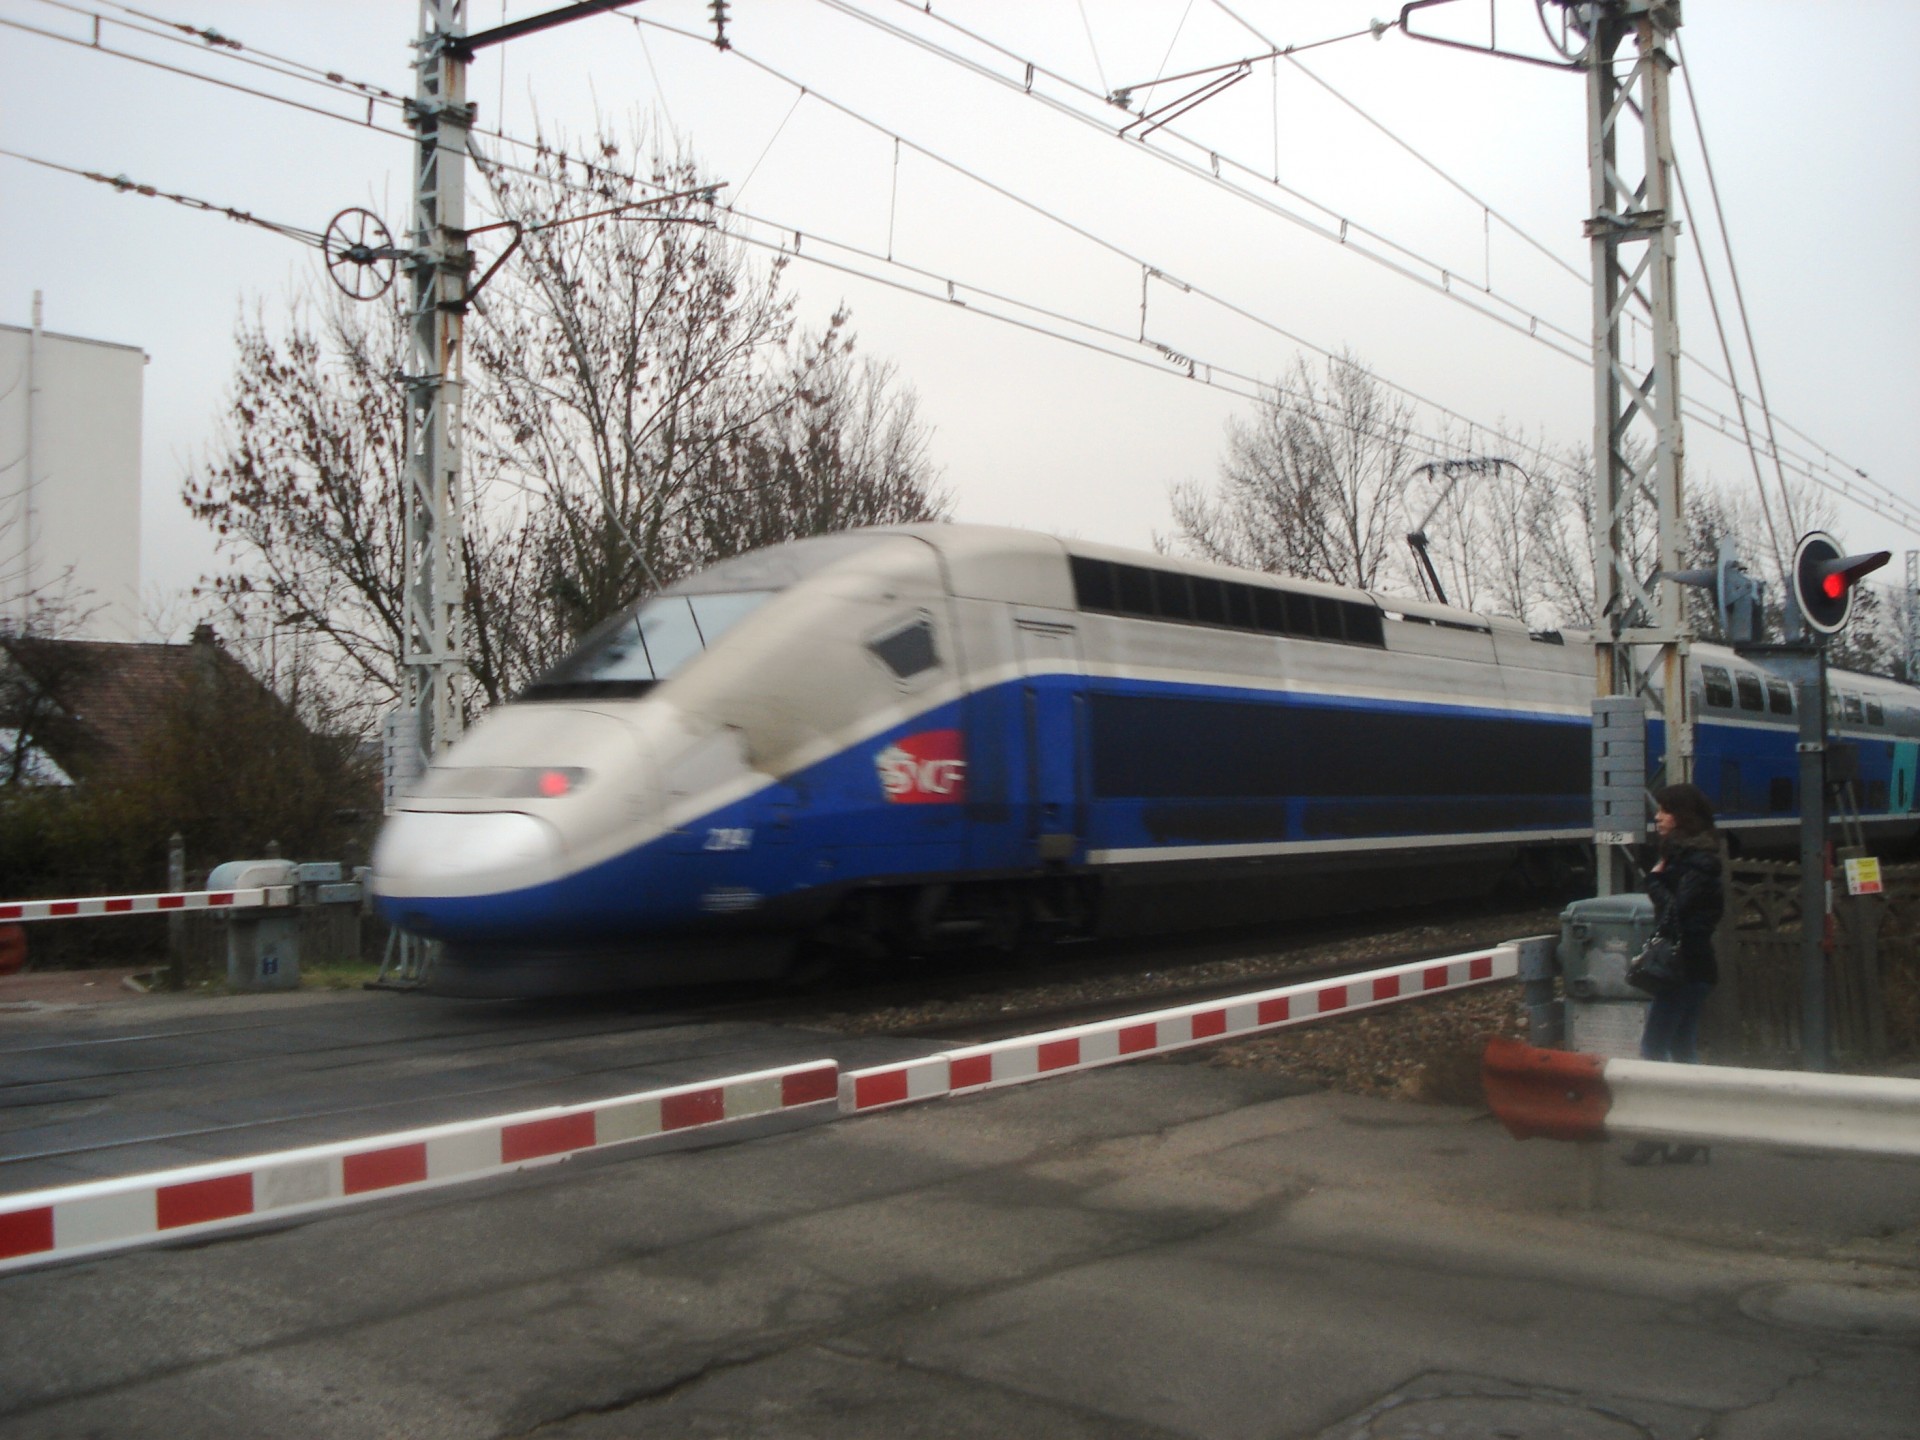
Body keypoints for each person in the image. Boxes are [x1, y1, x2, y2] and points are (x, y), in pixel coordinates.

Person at [1623, 781, 1724, 1166]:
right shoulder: (1694, 858)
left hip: (1683, 968)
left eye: (1664, 811)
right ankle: (1693, 1133)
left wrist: (1654, 880)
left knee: (1653, 1048)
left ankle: (1655, 1134)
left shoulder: (1698, 862)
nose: (1658, 817)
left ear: (1681, 817)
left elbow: (1675, 912)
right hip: (1693, 967)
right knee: (1682, 1051)